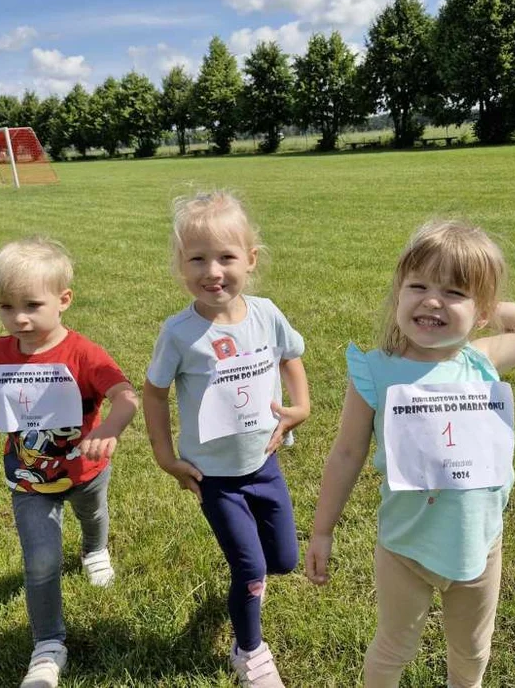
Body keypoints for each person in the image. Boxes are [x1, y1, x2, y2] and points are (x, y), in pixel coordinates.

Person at [305, 219, 515, 688]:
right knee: (393, 645)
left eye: (454, 293)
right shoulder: (375, 372)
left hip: (478, 543)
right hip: (404, 545)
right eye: (417, 286)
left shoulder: (482, 358)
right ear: (398, 293)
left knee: (473, 649)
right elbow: (346, 454)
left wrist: (483, 307)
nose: (433, 301)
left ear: (482, 311)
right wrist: (322, 531)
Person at [143, 191, 310, 688]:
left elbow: (290, 358)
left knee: (283, 560)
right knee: (252, 567)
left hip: (264, 463)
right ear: (180, 266)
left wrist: (301, 407)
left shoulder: (266, 313)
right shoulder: (179, 333)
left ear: (250, 260)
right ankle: (250, 649)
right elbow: (153, 393)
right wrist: (165, 455)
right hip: (214, 476)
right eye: (197, 259)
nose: (212, 271)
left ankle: (249, 584)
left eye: (226, 257)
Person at [0, 237, 138, 688]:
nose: (19, 318)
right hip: (28, 478)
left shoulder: (83, 353)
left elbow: (124, 395)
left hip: (86, 471)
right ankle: (48, 645)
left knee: (93, 515)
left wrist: (108, 430)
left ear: (64, 300)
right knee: (41, 562)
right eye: (6, 307)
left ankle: (94, 549)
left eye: (32, 304)